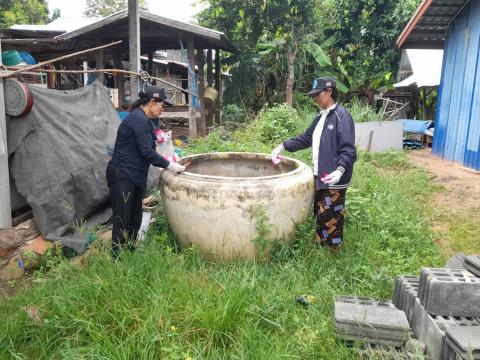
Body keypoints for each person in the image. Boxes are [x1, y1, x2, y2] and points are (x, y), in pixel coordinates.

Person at [271, 77, 356, 251]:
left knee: (331, 215)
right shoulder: (320, 117)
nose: (316, 98)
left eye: (318, 94)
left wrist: (340, 170)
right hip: (320, 174)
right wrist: (283, 146)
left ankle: (333, 252)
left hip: (334, 178)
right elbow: (306, 138)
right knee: (320, 213)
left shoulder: (342, 117)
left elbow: (348, 150)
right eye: (314, 95)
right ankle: (321, 249)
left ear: (330, 92)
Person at [106, 85, 185, 257]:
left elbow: (150, 147)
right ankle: (117, 260)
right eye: (162, 106)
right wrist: (169, 165)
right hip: (122, 175)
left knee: (135, 220)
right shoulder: (137, 119)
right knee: (122, 221)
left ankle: (129, 255)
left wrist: (167, 156)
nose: (162, 110)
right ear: (151, 102)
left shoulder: (147, 121)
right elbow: (146, 151)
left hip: (134, 176)